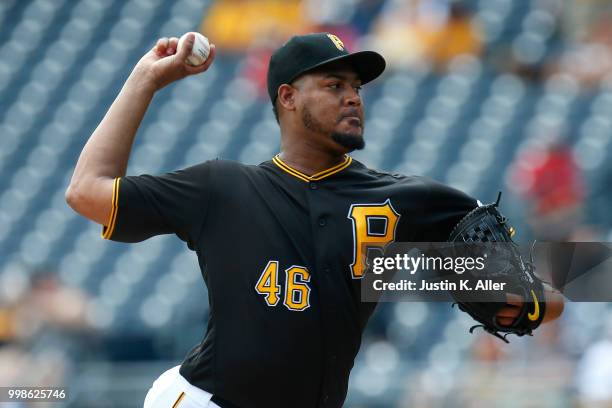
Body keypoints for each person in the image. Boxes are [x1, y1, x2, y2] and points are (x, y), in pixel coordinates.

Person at [66, 32, 564, 408]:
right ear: (288, 97)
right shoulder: (222, 187)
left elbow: (547, 300)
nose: (353, 97)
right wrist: (146, 79)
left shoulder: (410, 199)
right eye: (333, 84)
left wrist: (507, 289)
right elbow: (86, 192)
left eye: (356, 87)